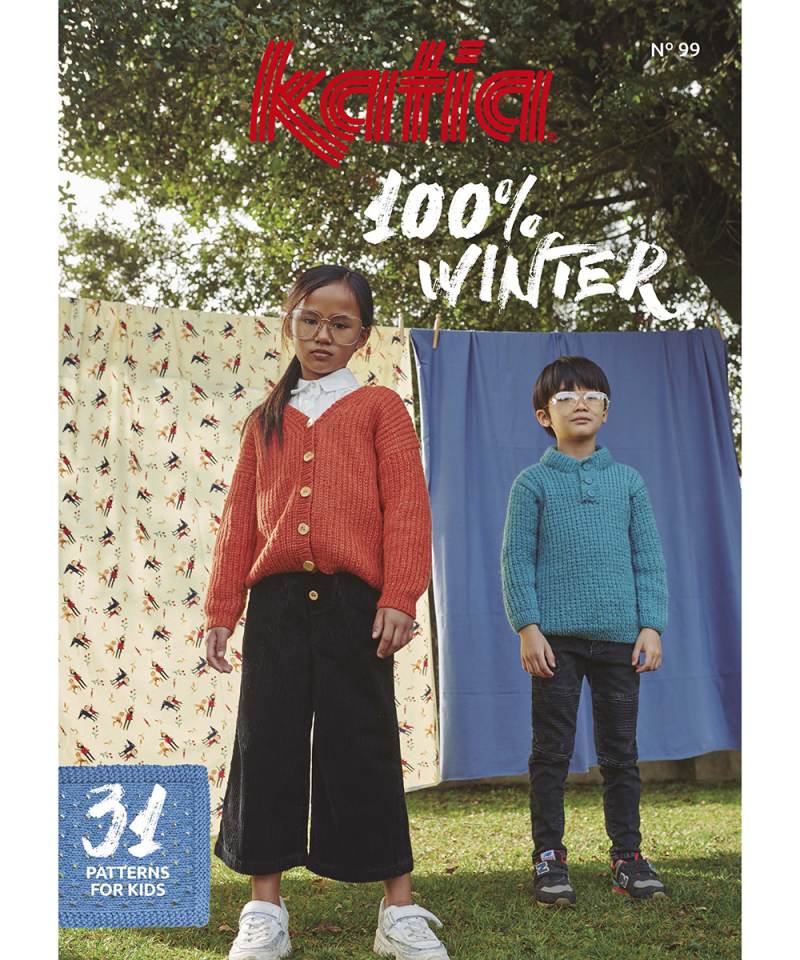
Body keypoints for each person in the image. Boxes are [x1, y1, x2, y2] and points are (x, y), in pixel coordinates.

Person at [203, 265, 449, 960]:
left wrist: (399, 596)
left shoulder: (380, 408)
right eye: (310, 319)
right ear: (291, 322)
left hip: (354, 605)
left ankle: (398, 911)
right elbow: (238, 521)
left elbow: (407, 507)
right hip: (276, 605)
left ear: (361, 337)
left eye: (340, 324)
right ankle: (264, 910)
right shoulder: (265, 419)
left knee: (364, 742)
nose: (322, 334)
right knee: (266, 743)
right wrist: (222, 608)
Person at [500, 355, 669, 908]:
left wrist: (651, 626)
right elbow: (516, 560)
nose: (581, 403)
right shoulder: (532, 484)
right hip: (556, 644)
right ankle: (549, 858)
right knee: (550, 754)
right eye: (566, 396)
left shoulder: (628, 482)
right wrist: (528, 628)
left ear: (606, 410)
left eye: (592, 395)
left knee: (621, 754)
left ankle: (628, 857)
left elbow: (649, 560)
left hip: (620, 641)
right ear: (543, 415)